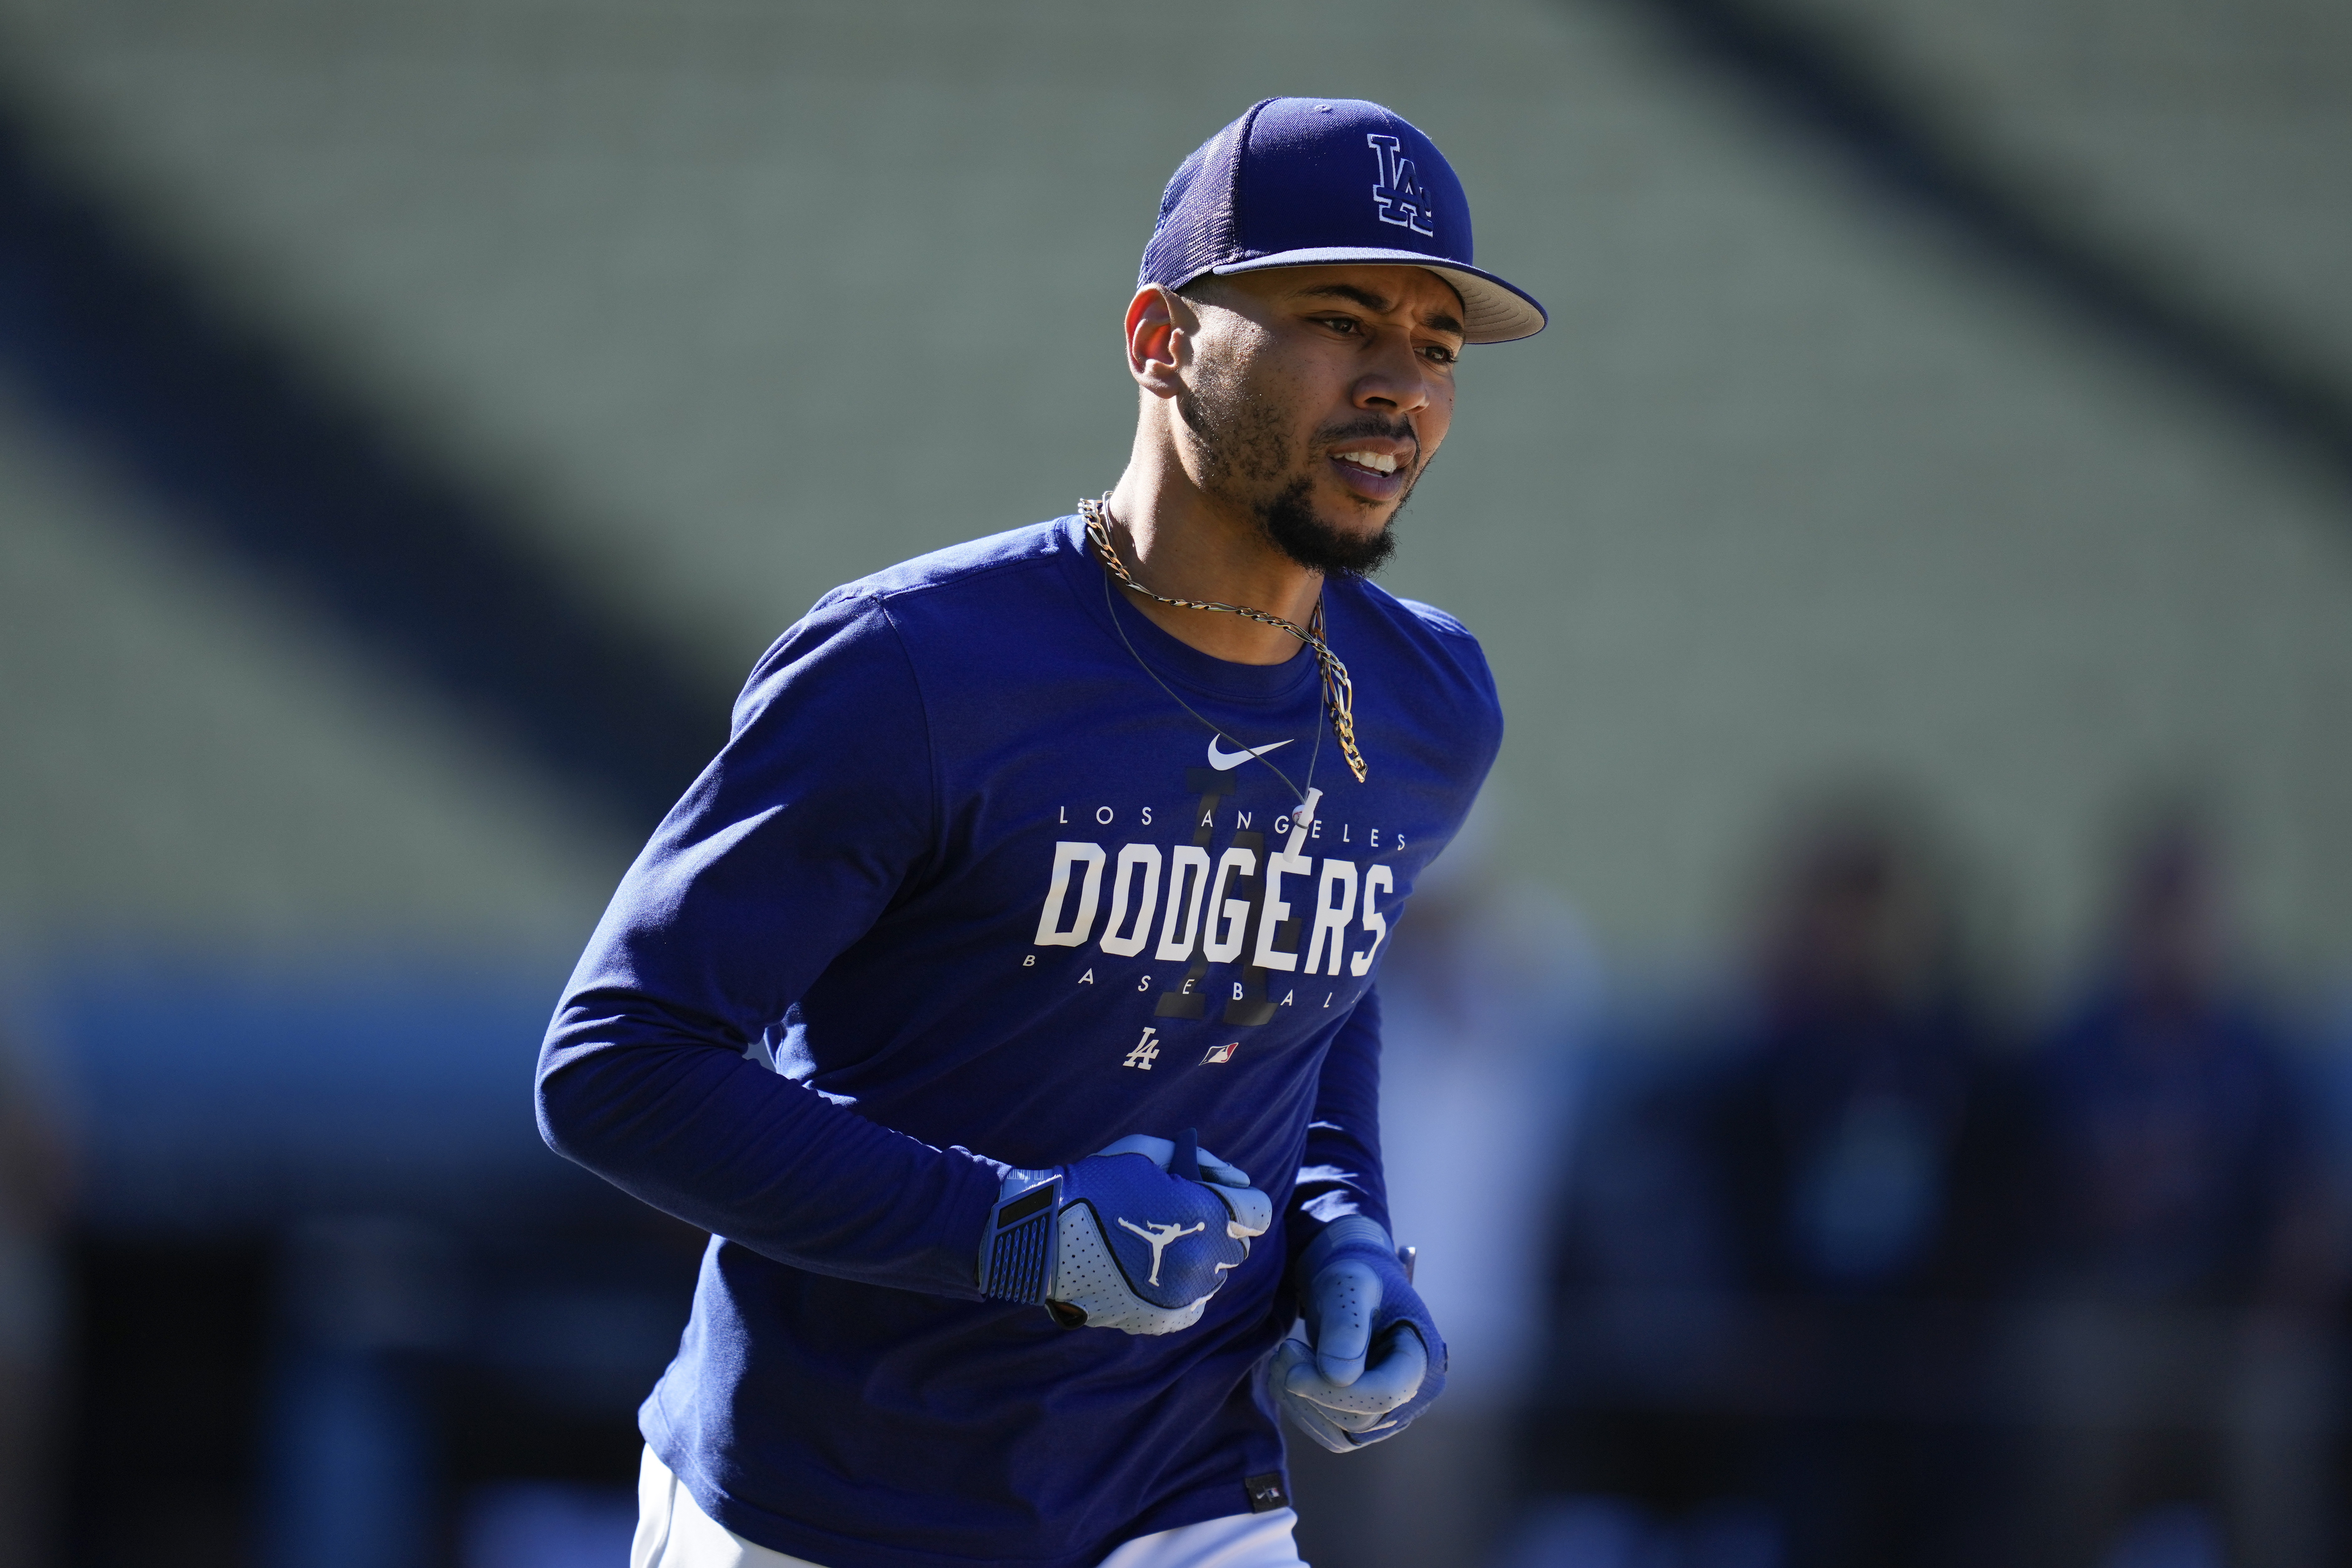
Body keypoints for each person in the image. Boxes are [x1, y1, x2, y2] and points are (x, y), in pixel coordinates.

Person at [536, 97, 1545, 1568]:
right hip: (825, 1505)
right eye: (1339, 319)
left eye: (1435, 345)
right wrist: (1015, 1233)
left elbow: (1314, 994)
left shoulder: (1427, 701)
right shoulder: (916, 665)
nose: (1398, 384)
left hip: (1183, 1501)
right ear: (1157, 340)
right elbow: (616, 1071)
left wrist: (1341, 1229)